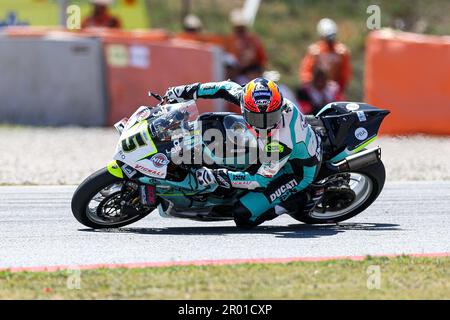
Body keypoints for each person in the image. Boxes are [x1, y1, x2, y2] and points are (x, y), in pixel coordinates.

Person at [163, 78, 322, 228]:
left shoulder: (281, 141)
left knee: (244, 215)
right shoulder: (246, 98)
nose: (265, 124)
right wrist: (183, 91)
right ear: (244, 108)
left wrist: (218, 175)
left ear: (279, 108)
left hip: (295, 172)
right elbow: (221, 88)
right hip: (275, 151)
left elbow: (260, 180)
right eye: (257, 118)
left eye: (271, 117)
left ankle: (300, 199)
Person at [299, 18, 351, 94]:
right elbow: (306, 72)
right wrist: (309, 87)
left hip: (334, 90)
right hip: (315, 90)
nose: (330, 40)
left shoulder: (341, 52)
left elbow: (345, 74)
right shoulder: (315, 51)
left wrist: (340, 88)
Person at [225, 9, 267, 79]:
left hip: (250, 75)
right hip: (236, 76)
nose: (240, 31)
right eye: (238, 28)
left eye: (241, 28)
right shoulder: (230, 41)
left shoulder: (253, 41)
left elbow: (261, 60)